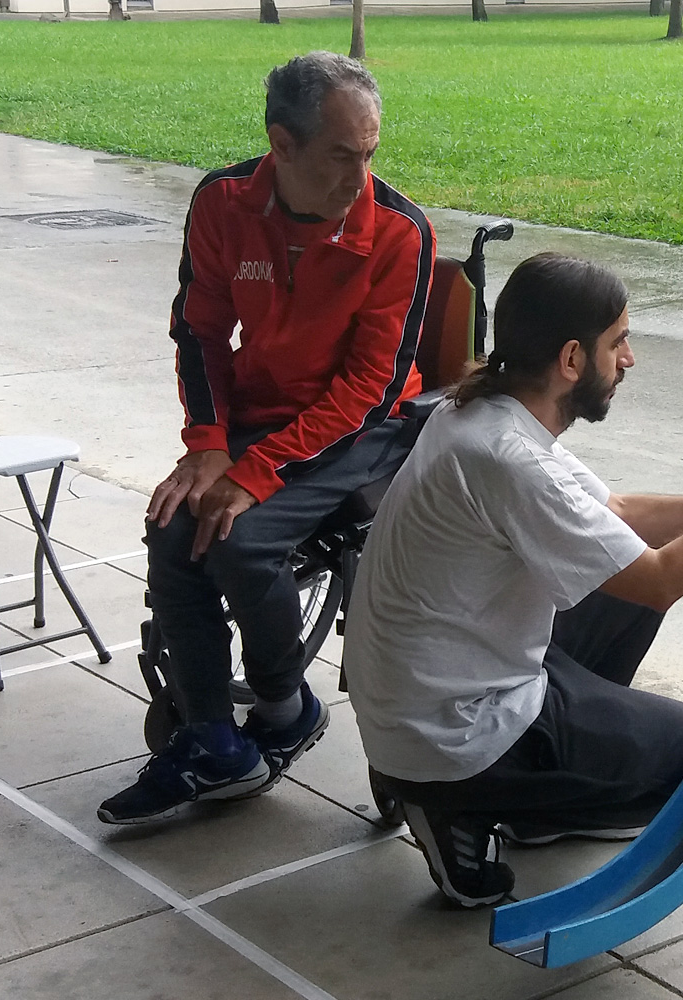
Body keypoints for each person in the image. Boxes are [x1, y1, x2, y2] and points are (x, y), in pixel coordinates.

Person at [342, 252, 683, 906]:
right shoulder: (510, 459)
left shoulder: (478, 412)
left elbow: (622, 516)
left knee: (623, 570)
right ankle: (476, 805)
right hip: (453, 734)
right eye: (620, 342)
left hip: (427, 698)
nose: (630, 359)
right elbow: (662, 578)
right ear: (573, 360)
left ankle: (528, 798)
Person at [99, 52, 434, 825]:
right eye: (340, 157)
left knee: (241, 542)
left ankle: (286, 713)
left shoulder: (398, 232)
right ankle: (214, 736)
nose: (359, 180)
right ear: (281, 145)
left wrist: (256, 473)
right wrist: (210, 443)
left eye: (370, 155)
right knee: (173, 527)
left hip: (365, 426)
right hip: (260, 415)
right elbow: (201, 332)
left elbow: (369, 388)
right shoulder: (222, 203)